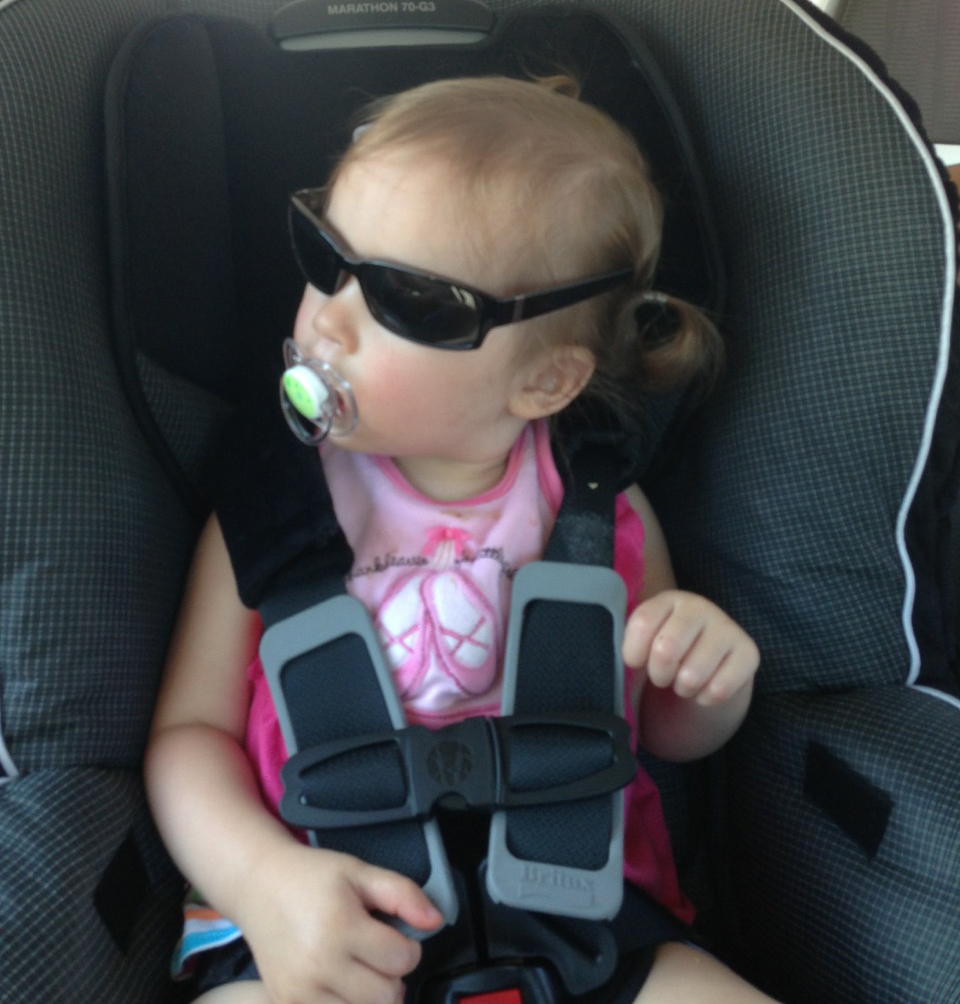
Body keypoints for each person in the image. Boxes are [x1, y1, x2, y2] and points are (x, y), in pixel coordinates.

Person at [145, 74, 778, 1004]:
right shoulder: (271, 513)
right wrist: (260, 880)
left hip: (587, 919)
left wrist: (708, 680)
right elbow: (187, 737)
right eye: (326, 257)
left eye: (410, 300)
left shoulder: (598, 513)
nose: (329, 317)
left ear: (546, 381)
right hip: (316, 911)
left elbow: (663, 732)